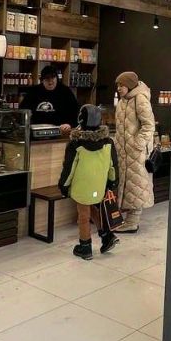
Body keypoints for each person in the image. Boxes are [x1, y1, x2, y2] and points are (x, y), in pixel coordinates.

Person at [58, 104, 119, 260]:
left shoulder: (76, 144)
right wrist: (113, 182)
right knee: (91, 206)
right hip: (99, 186)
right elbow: (113, 165)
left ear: (81, 119)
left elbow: (69, 168)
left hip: (82, 186)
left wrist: (63, 186)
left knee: (83, 216)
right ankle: (106, 236)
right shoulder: (108, 142)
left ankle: (85, 247)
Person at [113, 71, 156, 233]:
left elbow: (149, 125)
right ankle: (128, 220)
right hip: (124, 151)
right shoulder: (123, 101)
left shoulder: (140, 99)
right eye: (118, 85)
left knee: (136, 185)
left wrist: (137, 143)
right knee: (128, 184)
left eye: (122, 85)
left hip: (136, 152)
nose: (119, 88)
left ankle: (132, 222)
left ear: (130, 85)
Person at [18, 65, 80, 133]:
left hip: (60, 130)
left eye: (53, 78)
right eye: (47, 79)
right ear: (42, 80)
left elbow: (75, 110)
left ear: (57, 78)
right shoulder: (34, 91)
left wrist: (70, 124)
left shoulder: (65, 91)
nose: (50, 82)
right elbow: (23, 110)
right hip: (37, 130)